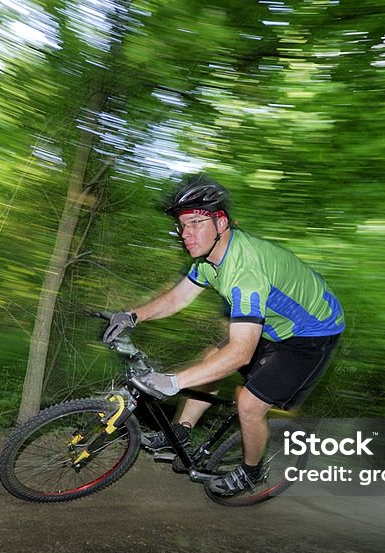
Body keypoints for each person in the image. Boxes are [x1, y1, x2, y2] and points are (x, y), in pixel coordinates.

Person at [102, 174, 344, 496]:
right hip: (274, 324)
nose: (186, 234)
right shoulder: (209, 259)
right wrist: (133, 315)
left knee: (248, 404)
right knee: (211, 358)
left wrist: (173, 382)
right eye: (182, 226)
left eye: (195, 223)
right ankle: (181, 433)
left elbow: (241, 353)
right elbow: (178, 297)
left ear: (221, 222)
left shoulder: (245, 271)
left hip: (312, 333)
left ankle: (251, 472)